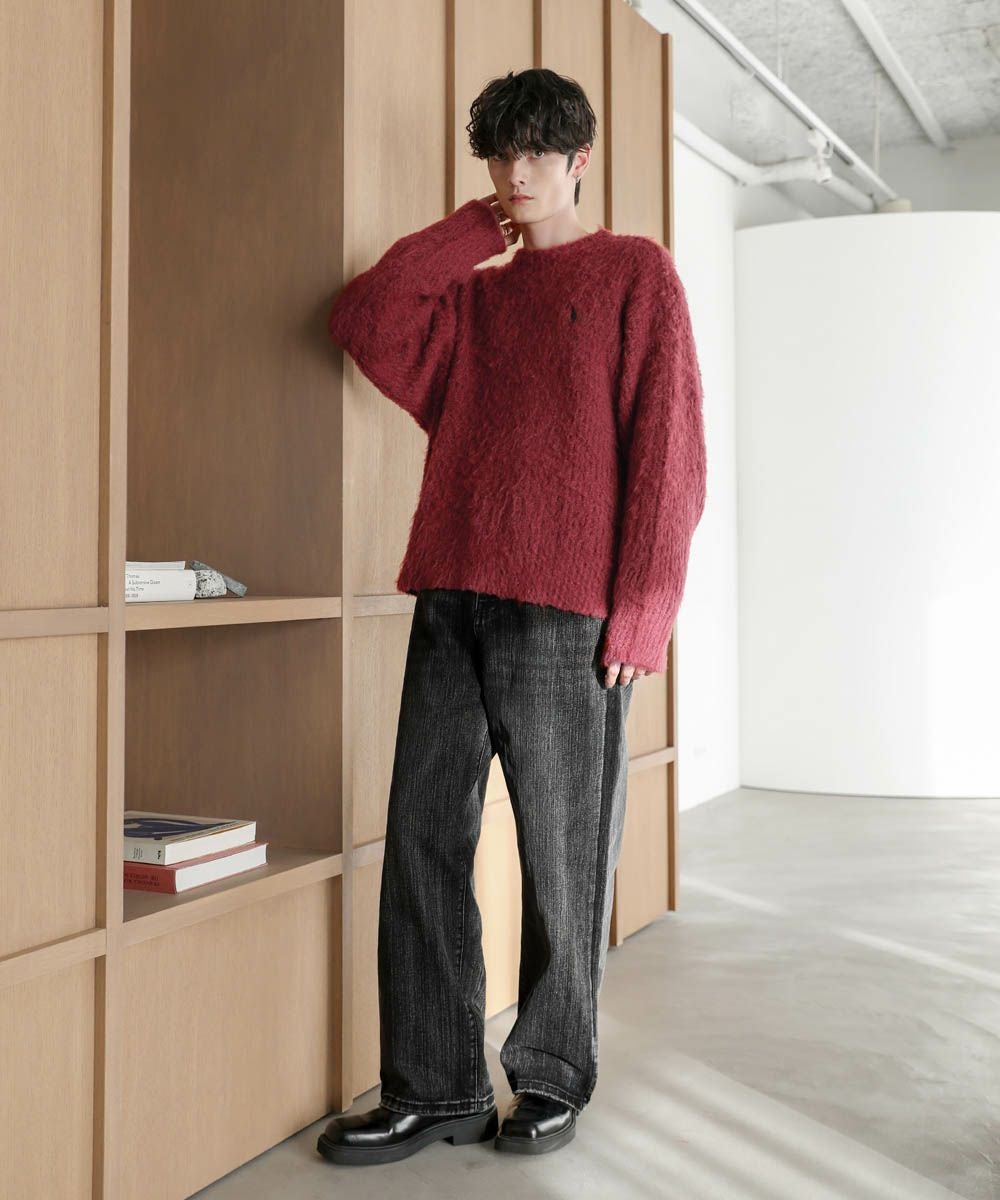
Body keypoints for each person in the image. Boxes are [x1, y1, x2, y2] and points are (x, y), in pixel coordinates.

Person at [317, 67, 707, 1166]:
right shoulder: (475, 300)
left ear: (579, 159)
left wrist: (643, 612)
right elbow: (365, 317)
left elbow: (671, 452)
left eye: (536, 152)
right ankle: (434, 1085)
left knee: (563, 856)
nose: (516, 171)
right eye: (499, 154)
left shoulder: (635, 274)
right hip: (452, 595)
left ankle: (549, 1074)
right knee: (422, 843)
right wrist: (472, 230)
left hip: (567, 618)